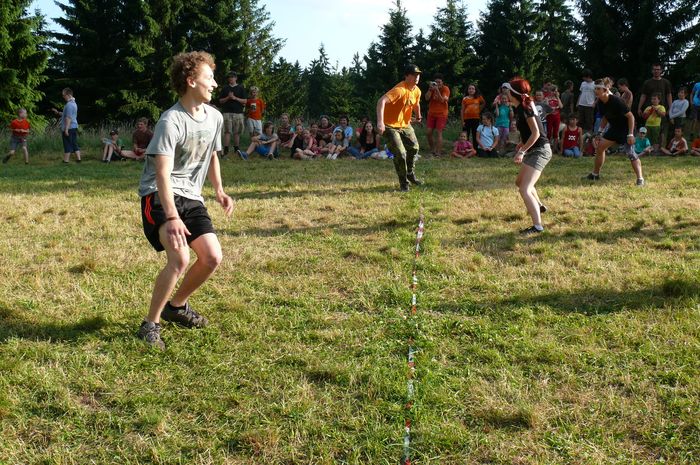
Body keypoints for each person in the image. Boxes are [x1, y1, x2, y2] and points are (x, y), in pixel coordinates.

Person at [137, 51, 234, 349]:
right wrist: (172, 217)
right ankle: (150, 324)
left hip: (192, 196)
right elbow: (162, 174)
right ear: (191, 81)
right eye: (209, 78)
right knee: (180, 258)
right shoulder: (170, 121)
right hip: (159, 195)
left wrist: (219, 190)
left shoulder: (215, 117)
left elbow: (212, 155)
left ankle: (176, 307)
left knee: (212, 257)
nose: (214, 84)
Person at [503, 78, 552, 235]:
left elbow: (536, 133)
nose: (506, 93)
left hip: (540, 150)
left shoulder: (526, 108)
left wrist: (522, 151)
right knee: (520, 183)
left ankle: (537, 226)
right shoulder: (520, 107)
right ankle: (539, 205)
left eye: (508, 91)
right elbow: (529, 132)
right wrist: (522, 143)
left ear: (514, 93)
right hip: (533, 149)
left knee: (525, 188)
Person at [584, 77, 643, 186]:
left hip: (626, 129)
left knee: (631, 154)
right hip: (615, 128)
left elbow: (631, 117)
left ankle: (640, 179)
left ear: (605, 90)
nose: (595, 91)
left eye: (598, 89)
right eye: (595, 88)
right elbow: (605, 118)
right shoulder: (600, 103)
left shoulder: (617, 101)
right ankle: (595, 174)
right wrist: (599, 132)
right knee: (600, 147)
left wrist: (630, 134)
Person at [377, 64, 423, 192]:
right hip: (389, 125)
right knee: (401, 153)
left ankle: (410, 173)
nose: (416, 77)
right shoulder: (400, 90)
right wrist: (380, 122)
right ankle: (404, 183)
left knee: (414, 148)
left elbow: (416, 104)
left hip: (405, 125)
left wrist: (418, 116)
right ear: (406, 76)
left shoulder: (416, 90)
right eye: (413, 75)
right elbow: (381, 101)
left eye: (418, 75)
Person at [637, 63, 673, 147]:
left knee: (662, 130)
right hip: (649, 110)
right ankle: (648, 147)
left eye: (658, 69)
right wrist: (639, 108)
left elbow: (669, 95)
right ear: (652, 71)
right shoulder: (647, 82)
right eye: (654, 69)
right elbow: (643, 95)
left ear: (661, 71)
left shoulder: (666, 82)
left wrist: (670, 108)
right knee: (648, 130)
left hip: (662, 109)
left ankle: (660, 147)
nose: (656, 71)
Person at [217, 71, 246, 156]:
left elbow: (245, 101)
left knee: (237, 132)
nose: (231, 78)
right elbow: (220, 101)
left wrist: (235, 98)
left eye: (232, 77)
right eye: (229, 77)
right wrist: (228, 97)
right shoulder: (225, 88)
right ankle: (226, 149)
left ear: (236, 78)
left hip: (238, 113)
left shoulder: (241, 88)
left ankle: (237, 149)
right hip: (227, 113)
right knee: (227, 131)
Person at [424, 73, 450, 156]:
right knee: (428, 132)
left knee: (439, 132)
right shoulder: (432, 88)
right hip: (431, 113)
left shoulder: (445, 89)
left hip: (442, 114)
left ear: (442, 82)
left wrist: (437, 90)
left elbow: (442, 100)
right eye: (436, 82)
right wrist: (430, 89)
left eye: (439, 82)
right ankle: (433, 150)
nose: (437, 84)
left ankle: (438, 152)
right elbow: (426, 98)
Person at [59, 88, 81, 163]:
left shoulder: (69, 105)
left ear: (68, 95)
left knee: (67, 143)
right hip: (74, 127)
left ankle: (66, 160)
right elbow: (68, 115)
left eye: (64, 95)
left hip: (69, 127)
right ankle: (78, 159)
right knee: (74, 143)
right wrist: (59, 113)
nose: (63, 97)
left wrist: (66, 129)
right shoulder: (74, 103)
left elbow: (68, 118)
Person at [545, 85, 563, 152]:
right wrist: (553, 108)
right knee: (549, 133)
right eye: (553, 91)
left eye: (556, 91)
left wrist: (557, 97)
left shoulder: (557, 98)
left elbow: (561, 106)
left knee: (556, 133)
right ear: (550, 91)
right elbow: (547, 108)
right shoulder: (547, 98)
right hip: (549, 117)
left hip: (556, 117)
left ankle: (554, 148)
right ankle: (548, 148)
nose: (555, 92)